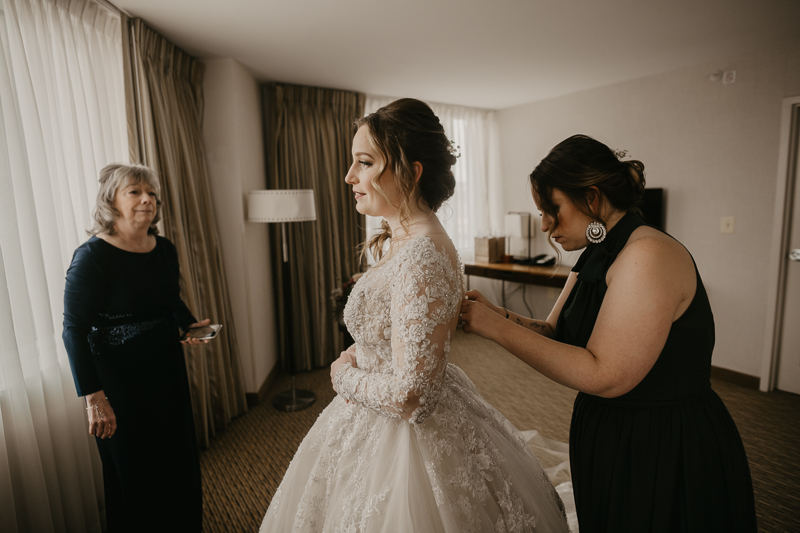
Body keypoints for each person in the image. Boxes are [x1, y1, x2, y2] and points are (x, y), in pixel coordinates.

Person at [260, 99, 569, 532]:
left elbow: (413, 396)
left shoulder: (421, 253)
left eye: (364, 163)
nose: (350, 176)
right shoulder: (407, 241)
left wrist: (342, 375)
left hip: (402, 429)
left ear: (411, 169)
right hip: (375, 410)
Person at [460, 135, 757, 532]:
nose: (545, 224)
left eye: (552, 209)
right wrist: (494, 312)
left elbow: (607, 374)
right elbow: (552, 332)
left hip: (661, 441)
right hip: (610, 431)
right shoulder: (595, 253)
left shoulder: (648, 254)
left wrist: (496, 329)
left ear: (593, 198)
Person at [63, 163, 208, 532]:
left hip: (165, 369)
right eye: (135, 192)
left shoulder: (163, 248)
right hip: (118, 382)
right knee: (134, 471)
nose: (147, 199)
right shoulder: (91, 257)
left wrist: (189, 325)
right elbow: (73, 331)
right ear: (111, 201)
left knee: (175, 461)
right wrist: (94, 398)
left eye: (152, 194)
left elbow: (170, 303)